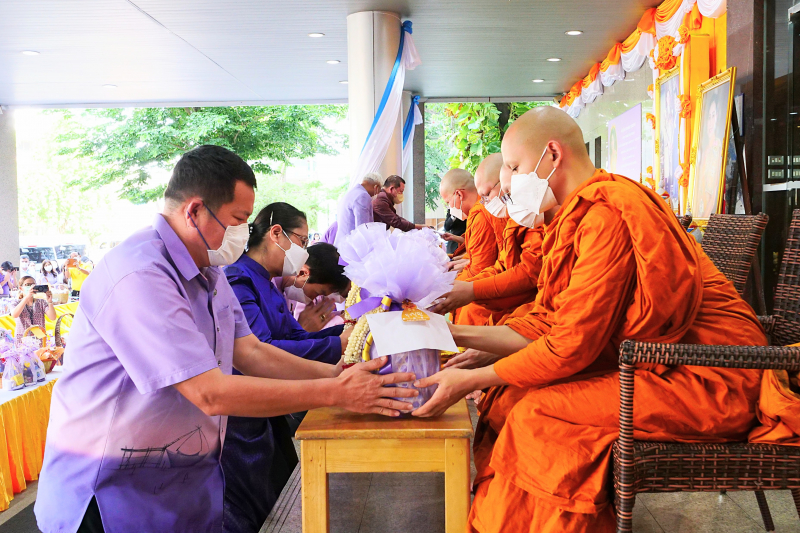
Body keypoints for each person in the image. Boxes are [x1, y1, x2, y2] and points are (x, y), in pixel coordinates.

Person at [412, 107, 766, 532]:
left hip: (710, 376)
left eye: (514, 167)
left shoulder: (607, 213)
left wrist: (471, 379)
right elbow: (555, 318)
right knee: (511, 398)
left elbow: (570, 345)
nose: (510, 183)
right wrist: (463, 342)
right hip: (658, 362)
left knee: (536, 413)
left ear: (553, 154)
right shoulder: (577, 214)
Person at [34, 145, 417, 533]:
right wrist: (335, 393)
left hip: (180, 482)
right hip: (111, 491)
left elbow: (251, 351)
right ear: (195, 211)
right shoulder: (140, 275)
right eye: (238, 220)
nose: (243, 232)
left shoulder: (211, 271)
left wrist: (336, 375)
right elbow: (210, 393)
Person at [221, 203, 353, 533]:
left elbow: (294, 335)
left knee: (281, 495)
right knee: (251, 510)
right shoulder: (238, 280)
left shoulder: (267, 281)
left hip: (269, 411)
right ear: (276, 233)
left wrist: (346, 333)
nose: (304, 252)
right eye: (302, 240)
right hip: (241, 416)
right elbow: (263, 352)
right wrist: (337, 347)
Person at [431, 153, 544, 327]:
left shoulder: (530, 215)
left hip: (535, 302)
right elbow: (502, 263)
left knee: (471, 310)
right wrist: (464, 287)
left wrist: (471, 289)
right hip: (519, 295)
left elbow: (529, 273)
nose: (485, 203)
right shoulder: (515, 217)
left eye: (487, 195)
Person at [439, 169, 504, 327]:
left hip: (492, 289)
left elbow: (480, 268)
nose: (449, 208)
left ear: (459, 195)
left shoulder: (482, 215)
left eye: (448, 202)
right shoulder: (478, 213)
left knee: (468, 310)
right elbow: (477, 255)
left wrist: (446, 287)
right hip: (493, 279)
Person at [279, 242, 350, 333]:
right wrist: (302, 331)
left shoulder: (287, 290)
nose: (313, 300)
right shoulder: (267, 292)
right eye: (317, 293)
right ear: (302, 273)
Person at [335, 173, 383, 247]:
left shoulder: (352, 192)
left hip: (342, 243)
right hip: (351, 247)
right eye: (379, 191)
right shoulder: (363, 196)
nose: (376, 194)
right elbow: (363, 228)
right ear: (376, 187)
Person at [11, 276, 56, 341]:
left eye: (33, 284)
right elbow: (14, 315)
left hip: (39, 340)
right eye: (28, 285)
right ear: (21, 288)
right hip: (22, 340)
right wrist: (27, 297)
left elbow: (53, 317)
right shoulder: (15, 302)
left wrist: (50, 301)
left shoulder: (41, 302)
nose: (31, 287)